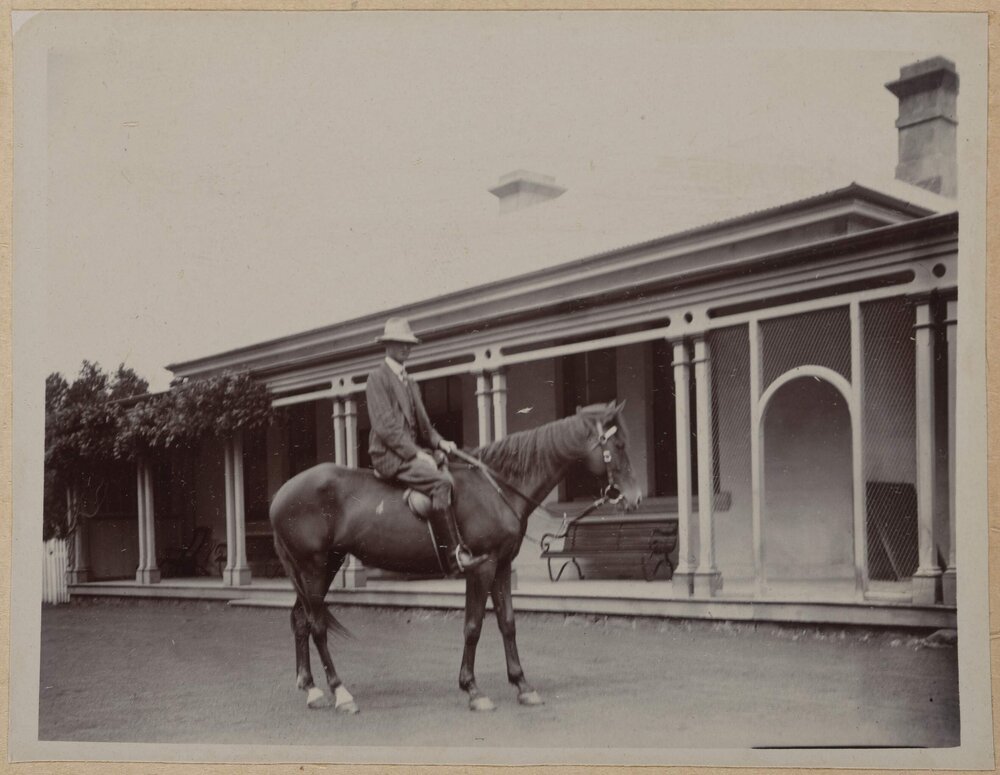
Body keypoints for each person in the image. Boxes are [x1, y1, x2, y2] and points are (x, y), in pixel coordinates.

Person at [366, 317, 487, 575]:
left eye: (409, 344)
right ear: (387, 346)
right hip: (389, 456)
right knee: (441, 483)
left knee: (452, 468)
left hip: (410, 453)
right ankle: (454, 558)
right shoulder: (377, 378)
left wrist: (439, 442)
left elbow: (424, 426)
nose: (406, 349)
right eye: (400, 344)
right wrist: (418, 455)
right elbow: (386, 428)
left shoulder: (410, 382)